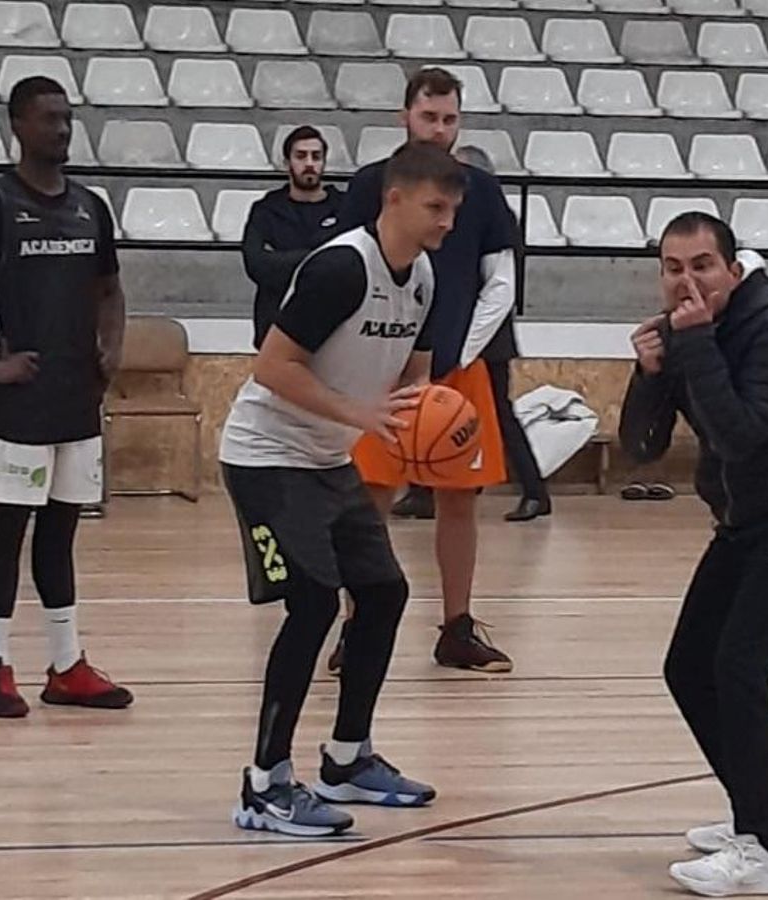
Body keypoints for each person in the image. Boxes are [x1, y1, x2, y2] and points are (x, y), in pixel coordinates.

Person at [619, 213, 768, 897]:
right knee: (687, 666)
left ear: (732, 268)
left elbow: (741, 433)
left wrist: (692, 345)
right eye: (672, 267)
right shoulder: (688, 331)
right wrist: (648, 374)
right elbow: (640, 448)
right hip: (747, 519)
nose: (686, 280)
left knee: (740, 668)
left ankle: (763, 848)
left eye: (701, 265)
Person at [219, 142, 457, 836]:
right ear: (396, 199)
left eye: (453, 209)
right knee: (315, 602)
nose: (446, 222)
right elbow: (272, 366)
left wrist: (429, 425)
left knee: (384, 591)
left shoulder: (424, 278)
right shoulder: (340, 268)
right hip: (266, 454)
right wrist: (362, 417)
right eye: (436, 207)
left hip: (327, 456)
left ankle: (346, 759)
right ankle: (264, 784)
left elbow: (415, 379)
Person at [0, 76, 133, 719]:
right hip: (19, 401)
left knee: (61, 534)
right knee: (6, 532)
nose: (61, 130)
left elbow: (111, 291)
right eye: (48, 119)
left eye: (67, 119)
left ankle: (66, 665)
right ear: (17, 126)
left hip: (77, 400)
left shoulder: (91, 207)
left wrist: (112, 348)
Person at [335, 67, 519, 674]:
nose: (439, 129)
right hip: (382, 372)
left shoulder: (483, 192)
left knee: (461, 499)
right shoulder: (370, 185)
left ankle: (457, 626)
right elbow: (346, 273)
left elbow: (501, 283)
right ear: (404, 116)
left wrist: (460, 354)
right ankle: (355, 623)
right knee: (370, 498)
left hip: (456, 370)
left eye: (449, 119)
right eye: (428, 116)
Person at [393, 146, 551, 524]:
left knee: (498, 412)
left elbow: (499, 287)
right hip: (454, 332)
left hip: (485, 338)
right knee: (427, 410)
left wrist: (466, 348)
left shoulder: (495, 219)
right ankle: (421, 492)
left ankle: (535, 490)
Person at [243, 125, 345, 349]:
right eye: (300, 156)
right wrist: (319, 258)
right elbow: (256, 265)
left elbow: (349, 268)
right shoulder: (265, 210)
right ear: (287, 162)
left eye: (316, 156)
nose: (309, 163)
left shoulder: (345, 208)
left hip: (332, 332)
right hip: (275, 328)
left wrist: (283, 258)